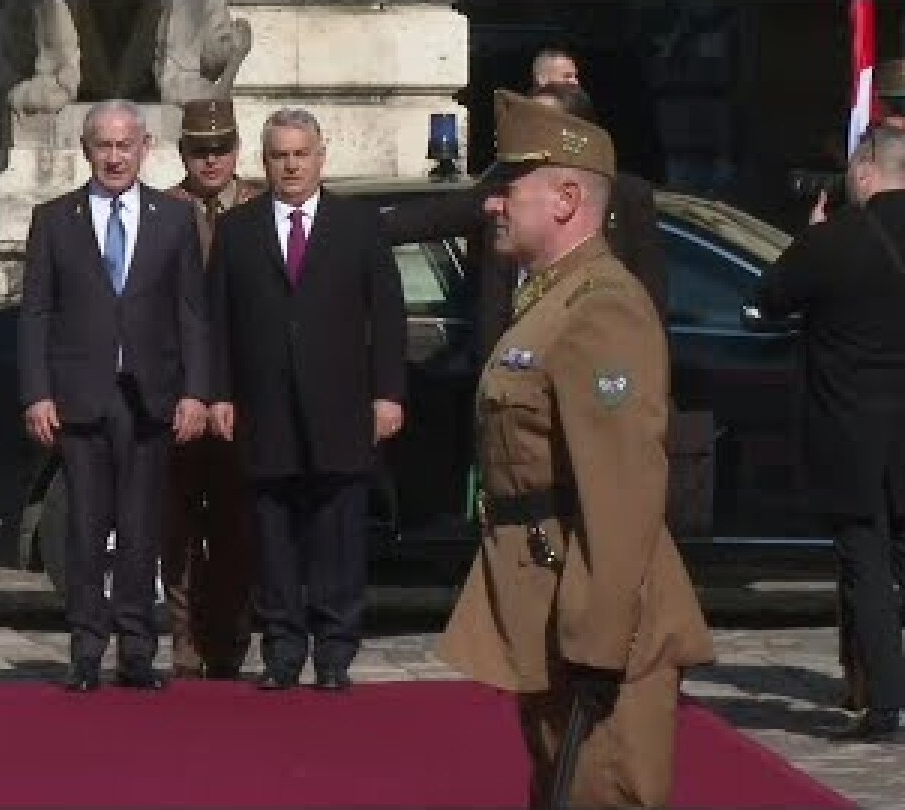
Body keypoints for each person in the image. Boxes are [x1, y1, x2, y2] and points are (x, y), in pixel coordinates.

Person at [437, 90, 713, 807]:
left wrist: (598, 642)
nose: (493, 203)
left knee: (601, 792)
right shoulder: (550, 299)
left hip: (595, 618)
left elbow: (621, 493)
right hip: (548, 601)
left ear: (566, 199)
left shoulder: (602, 308)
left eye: (510, 186)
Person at [208, 107, 406, 692]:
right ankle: (282, 650)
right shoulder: (237, 230)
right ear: (264, 161)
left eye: (301, 154)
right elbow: (217, 321)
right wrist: (218, 392)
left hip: (341, 406)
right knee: (272, 537)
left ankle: (335, 651)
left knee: (338, 535)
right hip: (264, 407)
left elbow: (387, 316)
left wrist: (387, 394)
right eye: (280, 155)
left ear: (321, 157)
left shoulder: (358, 225)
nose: (291, 165)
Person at [17, 99, 209, 693]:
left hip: (150, 398)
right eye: (104, 145)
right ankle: (85, 650)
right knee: (83, 529)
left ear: (145, 148)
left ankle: (136, 651)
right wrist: (37, 393)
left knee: (140, 529)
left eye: (126, 145)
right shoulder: (55, 220)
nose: (115, 157)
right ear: (86, 150)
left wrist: (195, 392)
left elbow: (192, 314)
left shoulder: (173, 219)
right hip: (80, 398)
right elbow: (36, 313)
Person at [753, 123, 905, 743]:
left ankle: (886, 703)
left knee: (866, 564)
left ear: (865, 171)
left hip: (851, 430)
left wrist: (811, 236)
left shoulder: (837, 239)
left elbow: (767, 299)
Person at [382, 82, 664, 362]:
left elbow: (649, 300)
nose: (496, 206)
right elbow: (431, 217)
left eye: (541, 122)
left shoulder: (623, 203)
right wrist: (358, 223)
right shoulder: (500, 193)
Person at [161, 98, 264, 680]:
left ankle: (229, 638)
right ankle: (185, 638)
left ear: (236, 149)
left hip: (243, 390)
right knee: (175, 524)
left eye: (221, 148)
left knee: (236, 522)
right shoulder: (163, 209)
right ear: (182, 152)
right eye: (200, 150)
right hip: (178, 390)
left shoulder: (260, 204)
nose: (211, 160)